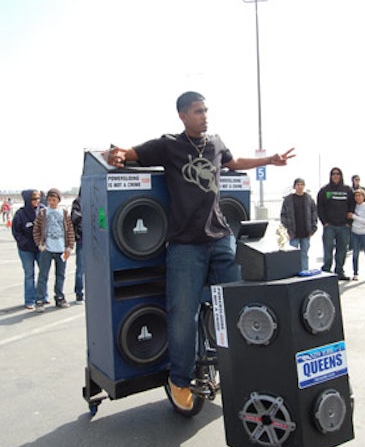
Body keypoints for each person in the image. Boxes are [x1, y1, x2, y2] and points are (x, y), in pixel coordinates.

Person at [105, 90, 295, 412]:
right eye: (197, 111)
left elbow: (235, 162)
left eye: (206, 110)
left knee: (240, 303)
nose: (205, 116)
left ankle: (246, 367)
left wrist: (269, 160)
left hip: (221, 238)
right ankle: (179, 380)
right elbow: (128, 153)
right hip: (184, 246)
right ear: (182, 115)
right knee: (183, 316)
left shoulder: (216, 143)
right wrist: (117, 155)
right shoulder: (169, 145)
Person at [33, 188, 75, 312]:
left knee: (61, 275)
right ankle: (40, 300)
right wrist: (40, 244)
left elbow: (70, 231)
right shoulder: (43, 213)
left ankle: (60, 297)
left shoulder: (64, 213)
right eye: (50, 199)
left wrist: (69, 247)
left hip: (61, 249)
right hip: (47, 249)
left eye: (54, 199)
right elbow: (36, 229)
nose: (52, 202)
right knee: (43, 275)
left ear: (58, 200)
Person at [317, 167, 355, 281]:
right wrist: (324, 223)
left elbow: (352, 206)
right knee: (328, 250)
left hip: (344, 226)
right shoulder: (325, 190)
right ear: (330, 175)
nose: (336, 176)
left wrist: (349, 223)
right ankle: (326, 272)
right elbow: (320, 207)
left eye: (338, 174)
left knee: (342, 250)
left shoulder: (347, 190)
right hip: (330, 226)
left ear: (341, 175)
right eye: (333, 174)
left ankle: (339, 271)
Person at [11, 190, 45, 309]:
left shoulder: (43, 210)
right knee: (29, 274)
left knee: (43, 273)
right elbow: (16, 231)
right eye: (34, 199)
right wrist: (24, 243)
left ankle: (42, 297)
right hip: (26, 249)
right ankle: (30, 299)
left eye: (38, 198)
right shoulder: (20, 214)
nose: (36, 201)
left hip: (40, 247)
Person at [280, 178, 318, 271]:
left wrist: (313, 228)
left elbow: (314, 213)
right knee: (293, 255)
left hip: (306, 232)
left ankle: (304, 272)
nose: (300, 187)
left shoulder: (308, 198)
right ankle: (293, 272)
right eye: (298, 185)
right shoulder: (288, 199)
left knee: (304, 254)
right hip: (293, 233)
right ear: (294, 186)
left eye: (302, 184)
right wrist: (287, 230)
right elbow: (283, 215)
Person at [71, 191, 84, 304]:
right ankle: (79, 293)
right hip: (83, 239)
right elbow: (75, 219)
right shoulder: (78, 202)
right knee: (80, 268)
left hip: (95, 240)